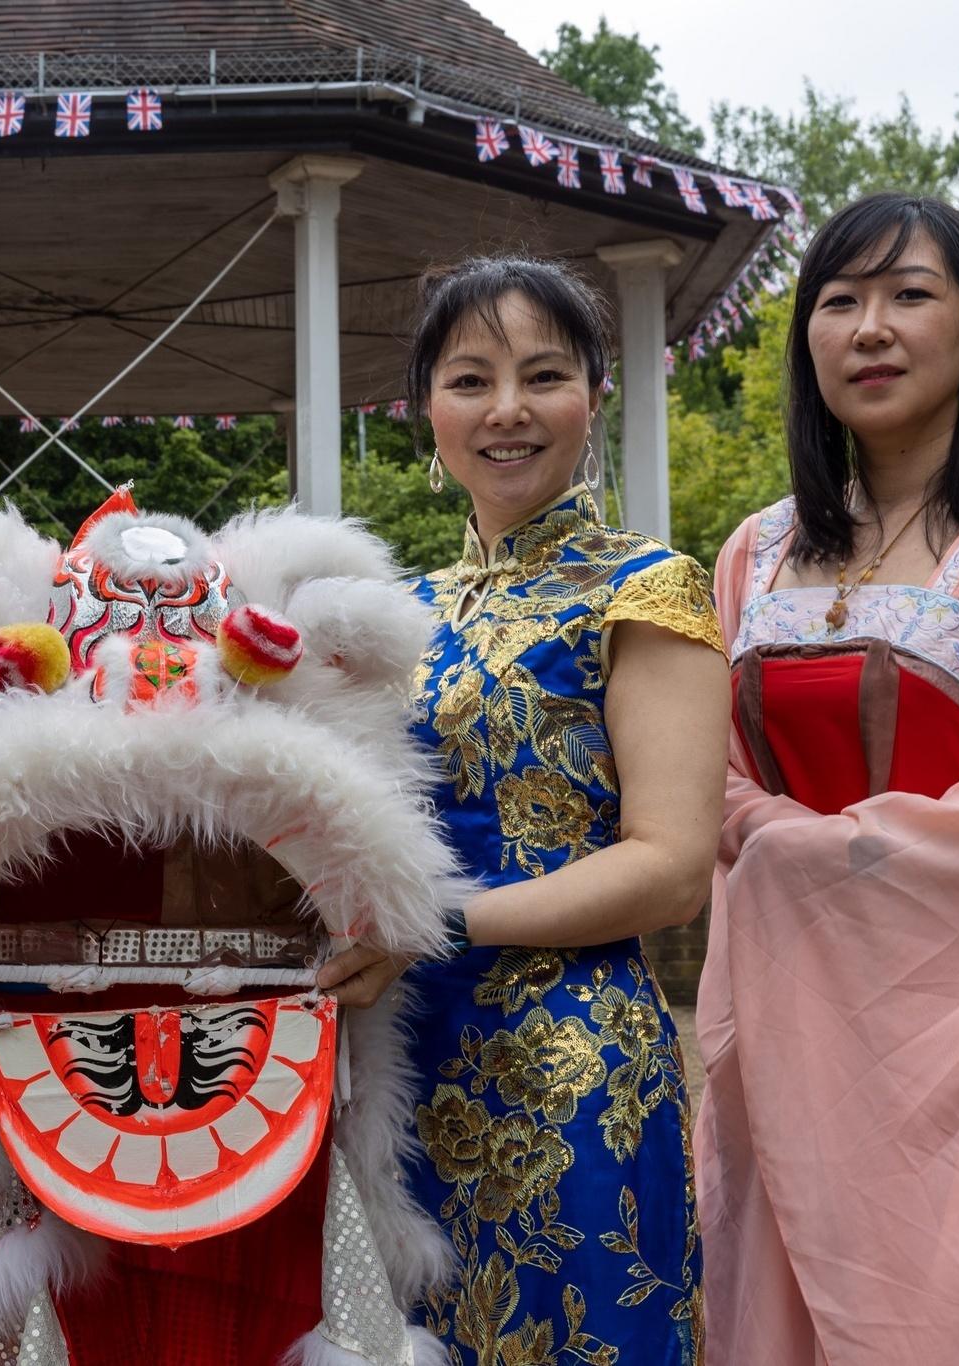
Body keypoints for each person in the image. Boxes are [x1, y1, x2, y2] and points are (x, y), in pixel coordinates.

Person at [696, 193, 959, 1363]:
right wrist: (769, 837)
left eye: (907, 295)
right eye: (837, 302)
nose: (867, 328)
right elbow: (707, 777)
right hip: (792, 1035)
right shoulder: (754, 550)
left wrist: (803, 850)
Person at [321, 256, 728, 1364]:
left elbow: (671, 862)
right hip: (398, 1063)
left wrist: (446, 922)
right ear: (424, 410)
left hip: (568, 1064)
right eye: (469, 380)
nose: (505, 410)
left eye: (542, 374)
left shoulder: (646, 586)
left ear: (594, 397)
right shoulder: (397, 612)